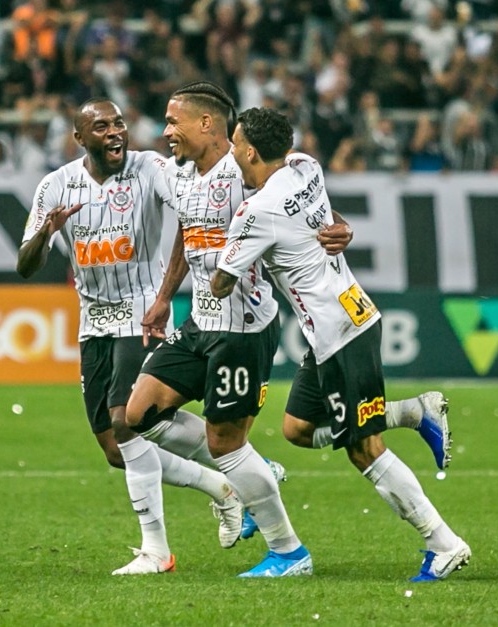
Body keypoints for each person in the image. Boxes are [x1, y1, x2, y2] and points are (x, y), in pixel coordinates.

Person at [211, 107, 470, 582]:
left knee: (363, 447)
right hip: (340, 319)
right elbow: (328, 217)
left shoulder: (257, 211)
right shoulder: (305, 166)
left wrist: (214, 249)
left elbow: (221, 283)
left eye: (234, 146)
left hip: (340, 333)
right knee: (297, 429)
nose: (231, 155)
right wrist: (340, 227)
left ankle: (444, 543)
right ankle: (414, 412)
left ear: (249, 151)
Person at [17, 98, 242, 576]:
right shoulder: (55, 186)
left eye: (119, 123)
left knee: (126, 421)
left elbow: (193, 215)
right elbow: (25, 265)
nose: (115, 132)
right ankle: (226, 483)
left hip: (141, 312)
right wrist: (46, 233)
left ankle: (157, 552)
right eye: (101, 127)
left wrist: (166, 295)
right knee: (115, 448)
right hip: (92, 320)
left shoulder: (151, 168)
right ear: (81, 138)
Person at [125, 81, 316, 578]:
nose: (167, 131)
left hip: (243, 328)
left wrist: (335, 222)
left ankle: (289, 552)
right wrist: (166, 296)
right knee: (139, 412)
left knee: (225, 442)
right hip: (199, 322)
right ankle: (257, 470)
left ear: (206, 123)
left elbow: (297, 184)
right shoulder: (182, 176)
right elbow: (188, 238)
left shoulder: (242, 170)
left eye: (174, 121)